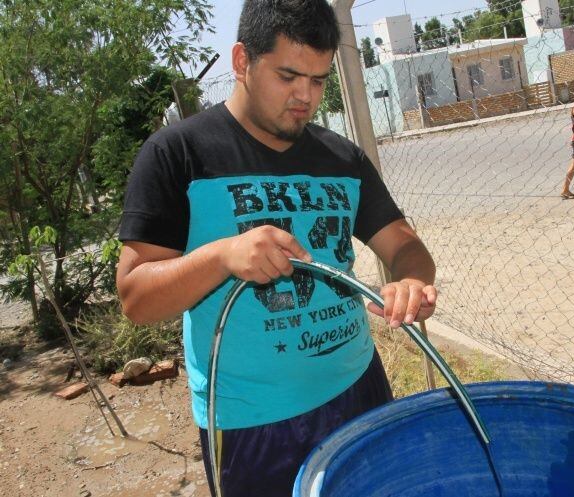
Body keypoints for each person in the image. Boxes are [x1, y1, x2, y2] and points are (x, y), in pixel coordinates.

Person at [115, 1, 437, 496]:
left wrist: (412, 280)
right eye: (288, 76)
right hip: (251, 421)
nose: (304, 97)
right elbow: (136, 297)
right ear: (243, 61)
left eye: (318, 79)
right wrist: (222, 256)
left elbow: (403, 244)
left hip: (359, 389)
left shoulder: (340, 157)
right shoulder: (177, 153)